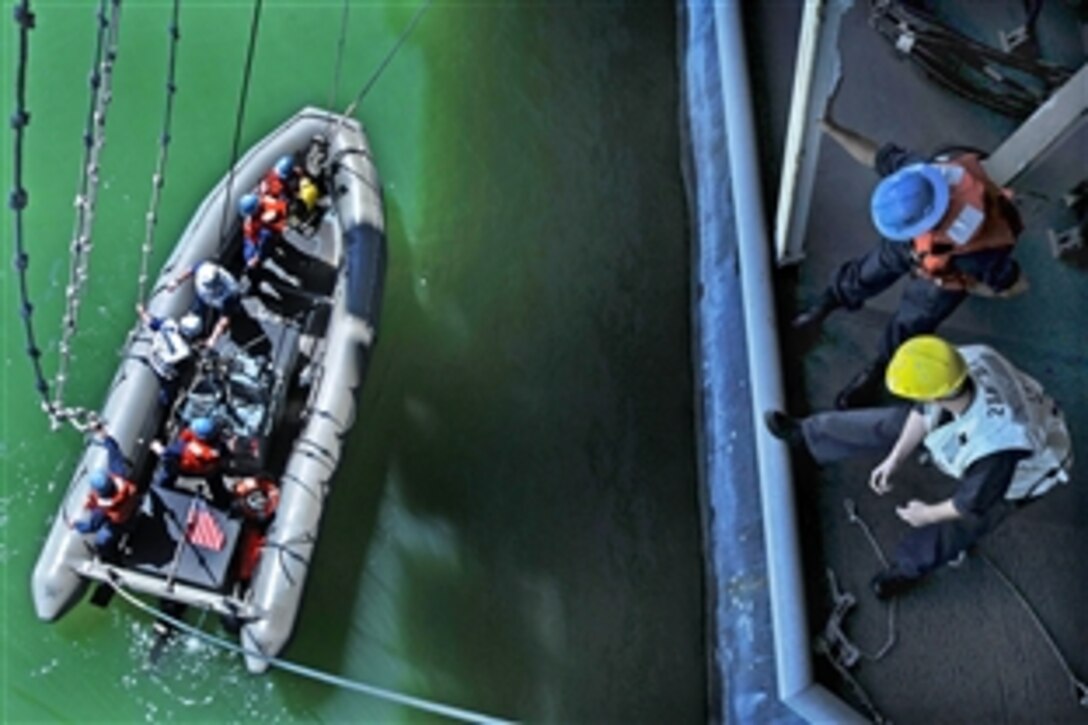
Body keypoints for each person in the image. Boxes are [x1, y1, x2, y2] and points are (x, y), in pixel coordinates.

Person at [765, 335, 1072, 599]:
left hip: (1022, 473)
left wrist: (925, 514)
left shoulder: (998, 446)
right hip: (987, 423)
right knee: (892, 423)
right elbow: (923, 409)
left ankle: (908, 568)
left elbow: (970, 503)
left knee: (960, 525)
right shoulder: (964, 360)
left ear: (939, 394)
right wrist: (894, 458)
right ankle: (808, 435)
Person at [792, 115, 1026, 409]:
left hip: (947, 274)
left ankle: (877, 370)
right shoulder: (922, 178)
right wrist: (832, 127)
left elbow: (1014, 286)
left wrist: (966, 284)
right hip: (920, 249)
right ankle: (823, 307)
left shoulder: (979, 252)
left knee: (911, 321)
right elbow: (875, 155)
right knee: (867, 271)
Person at [72, 422, 141, 557]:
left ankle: (109, 556)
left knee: (102, 539)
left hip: (122, 522)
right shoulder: (119, 474)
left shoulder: (101, 510)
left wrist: (76, 525)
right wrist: (103, 434)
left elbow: (92, 527)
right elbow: (114, 449)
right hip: (134, 506)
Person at [150, 416, 235, 509]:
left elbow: (167, 454)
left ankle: (160, 488)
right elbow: (225, 453)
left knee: (168, 470)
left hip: (185, 469)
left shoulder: (185, 448)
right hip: (208, 471)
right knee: (216, 482)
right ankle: (223, 502)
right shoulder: (217, 446)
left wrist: (157, 447)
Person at [136, 303, 203, 405]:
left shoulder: (169, 324)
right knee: (168, 392)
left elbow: (152, 323)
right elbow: (183, 365)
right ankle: (165, 402)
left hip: (155, 355)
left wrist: (142, 312)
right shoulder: (184, 352)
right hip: (165, 370)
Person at [167, 261, 243, 348]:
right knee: (195, 315)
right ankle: (190, 331)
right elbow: (191, 269)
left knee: (230, 312)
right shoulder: (205, 269)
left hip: (219, 301)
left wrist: (213, 338)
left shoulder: (229, 290)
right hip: (203, 297)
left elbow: (224, 319)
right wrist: (177, 282)